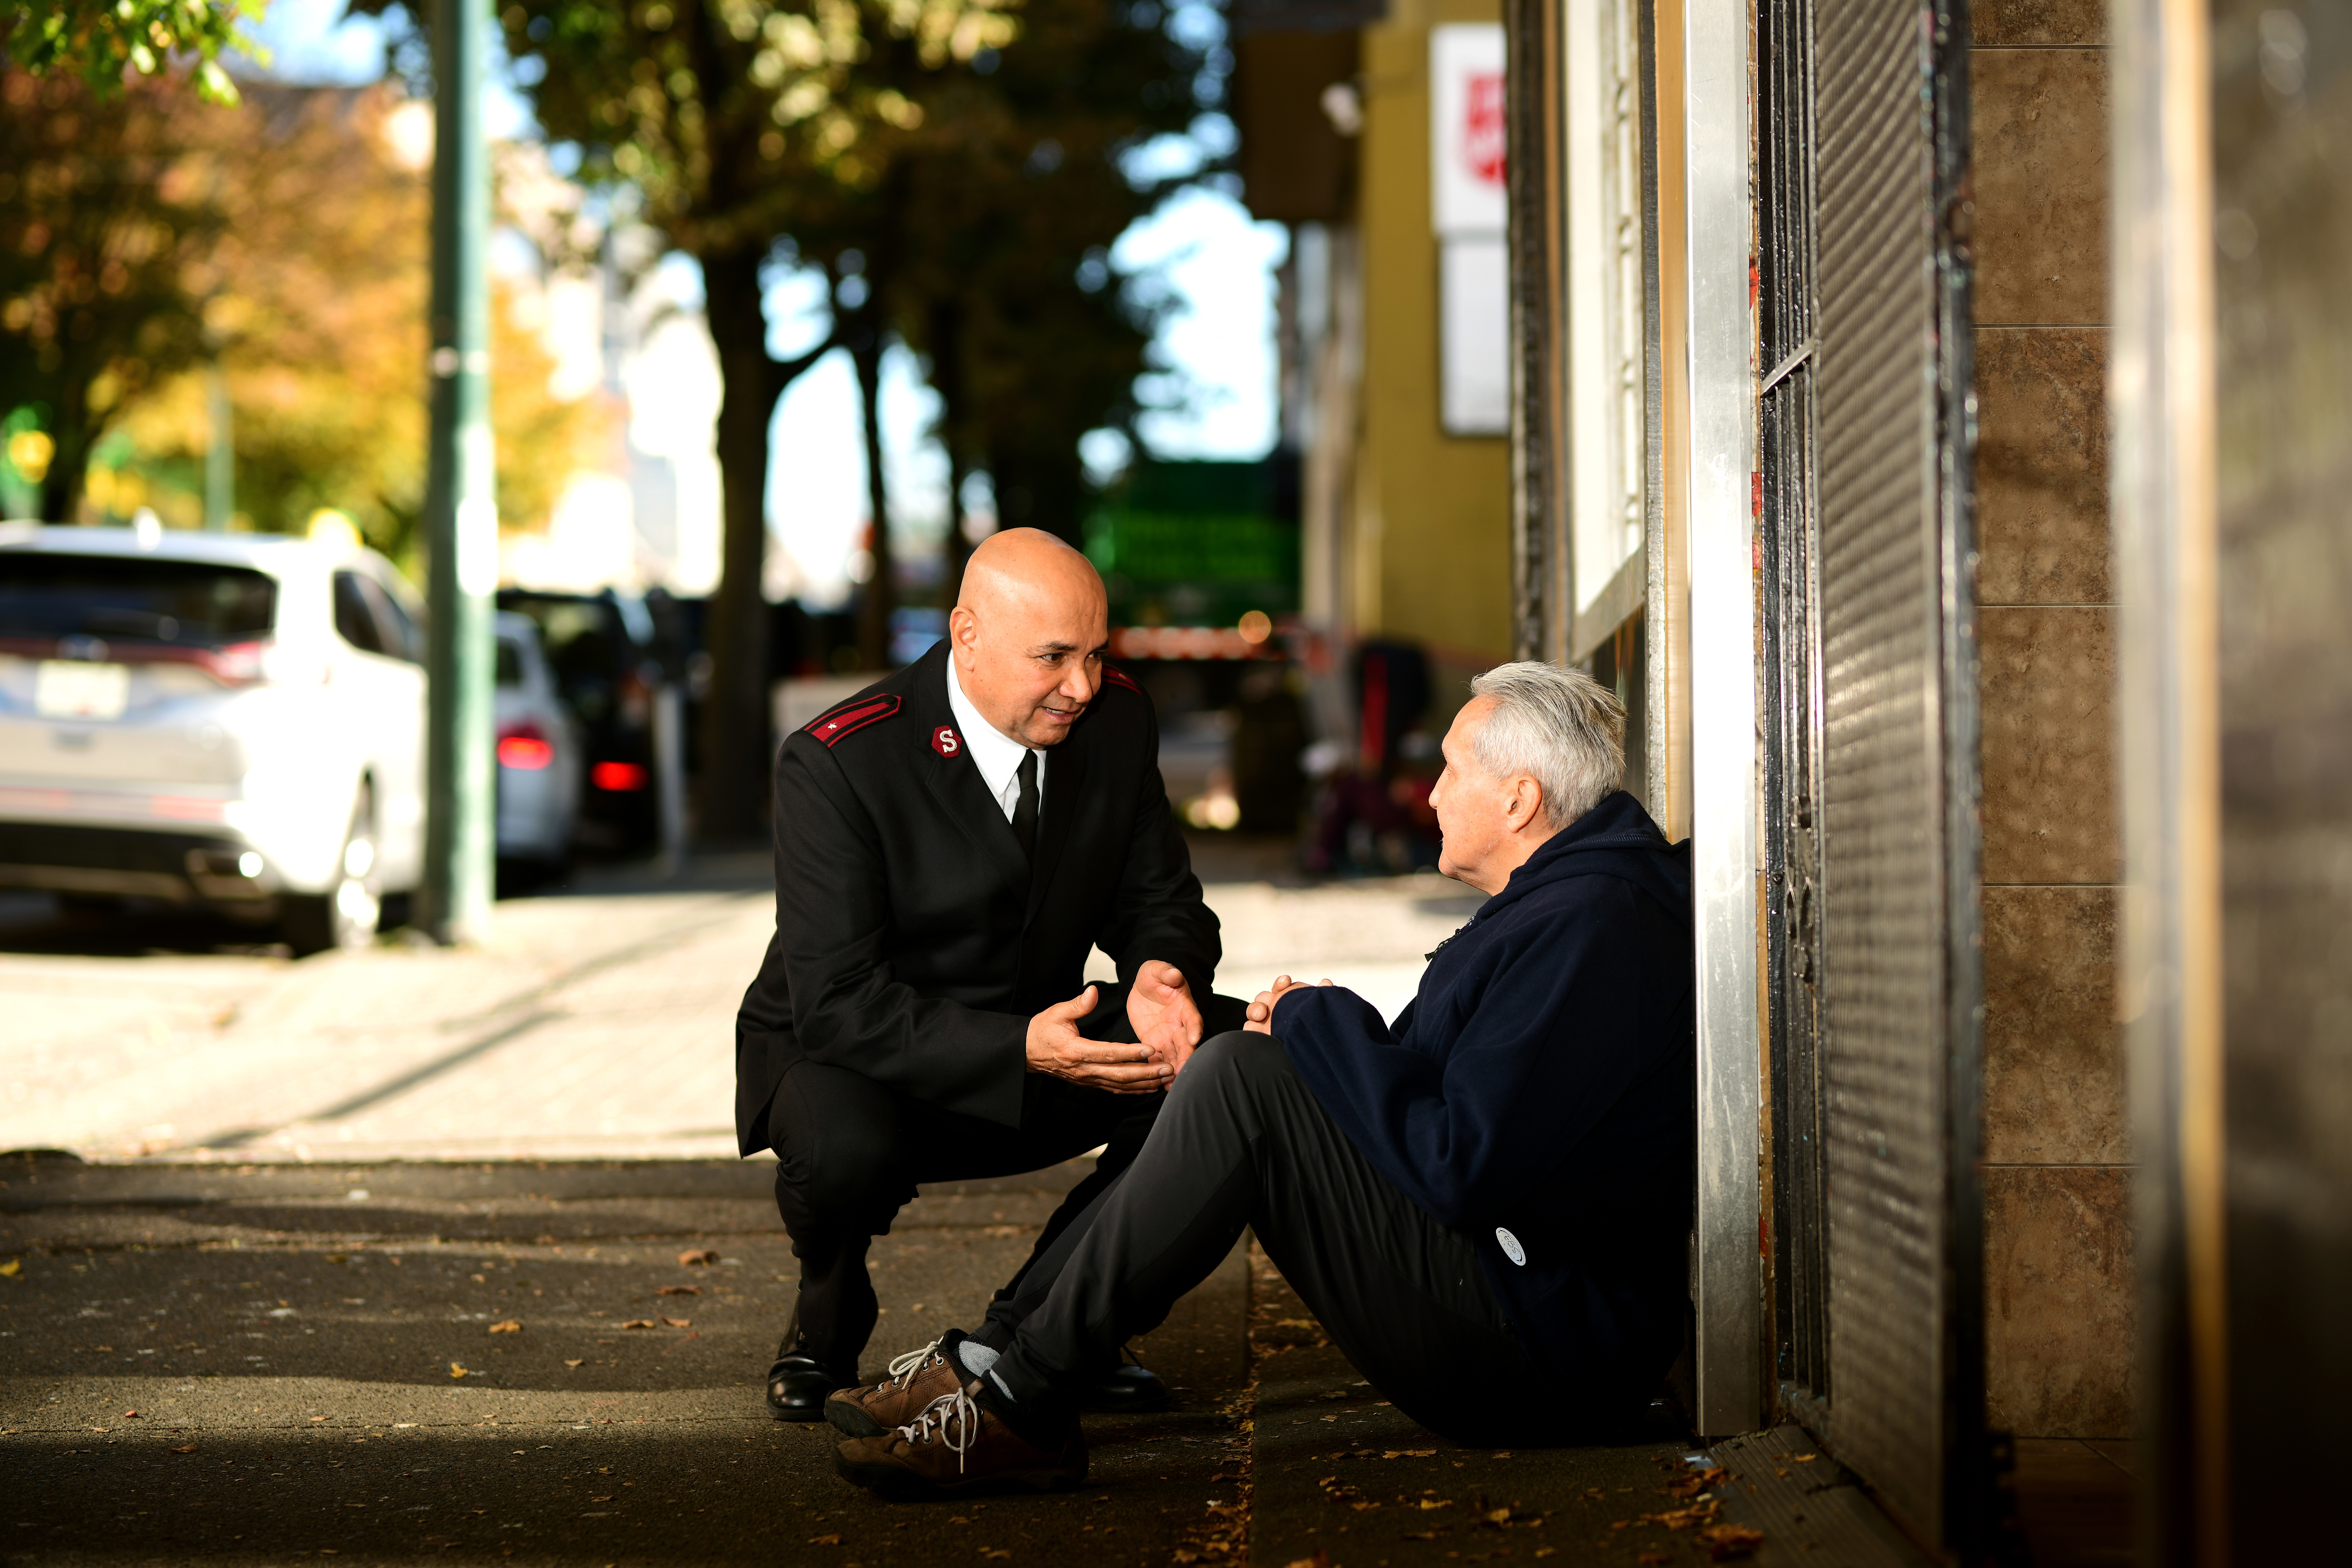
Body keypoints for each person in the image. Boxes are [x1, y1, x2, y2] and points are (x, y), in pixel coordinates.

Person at [822, 661, 1694, 1495]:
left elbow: (1459, 1163)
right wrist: (1317, 1028)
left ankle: (1020, 1401)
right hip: (1516, 1295)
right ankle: (998, 1367)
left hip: (1543, 1346)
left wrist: (1323, 1025)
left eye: (1449, 771)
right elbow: (1447, 1101)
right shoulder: (1571, 908)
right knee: (1238, 1060)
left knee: (1241, 1076)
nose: (1427, 794)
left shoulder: (1590, 928)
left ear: (1519, 798)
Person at [736, 528, 1244, 1419]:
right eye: (1053, 658)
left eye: (1095, 655)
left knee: (1229, 1067)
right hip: (856, 1053)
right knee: (843, 1152)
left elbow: (1160, 898)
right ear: (966, 635)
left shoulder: (1116, 720)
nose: (1082, 687)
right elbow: (839, 1003)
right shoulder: (839, 760)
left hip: (1037, 1027)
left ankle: (1054, 1329)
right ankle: (826, 1322)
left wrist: (1162, 974)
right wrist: (1024, 1048)